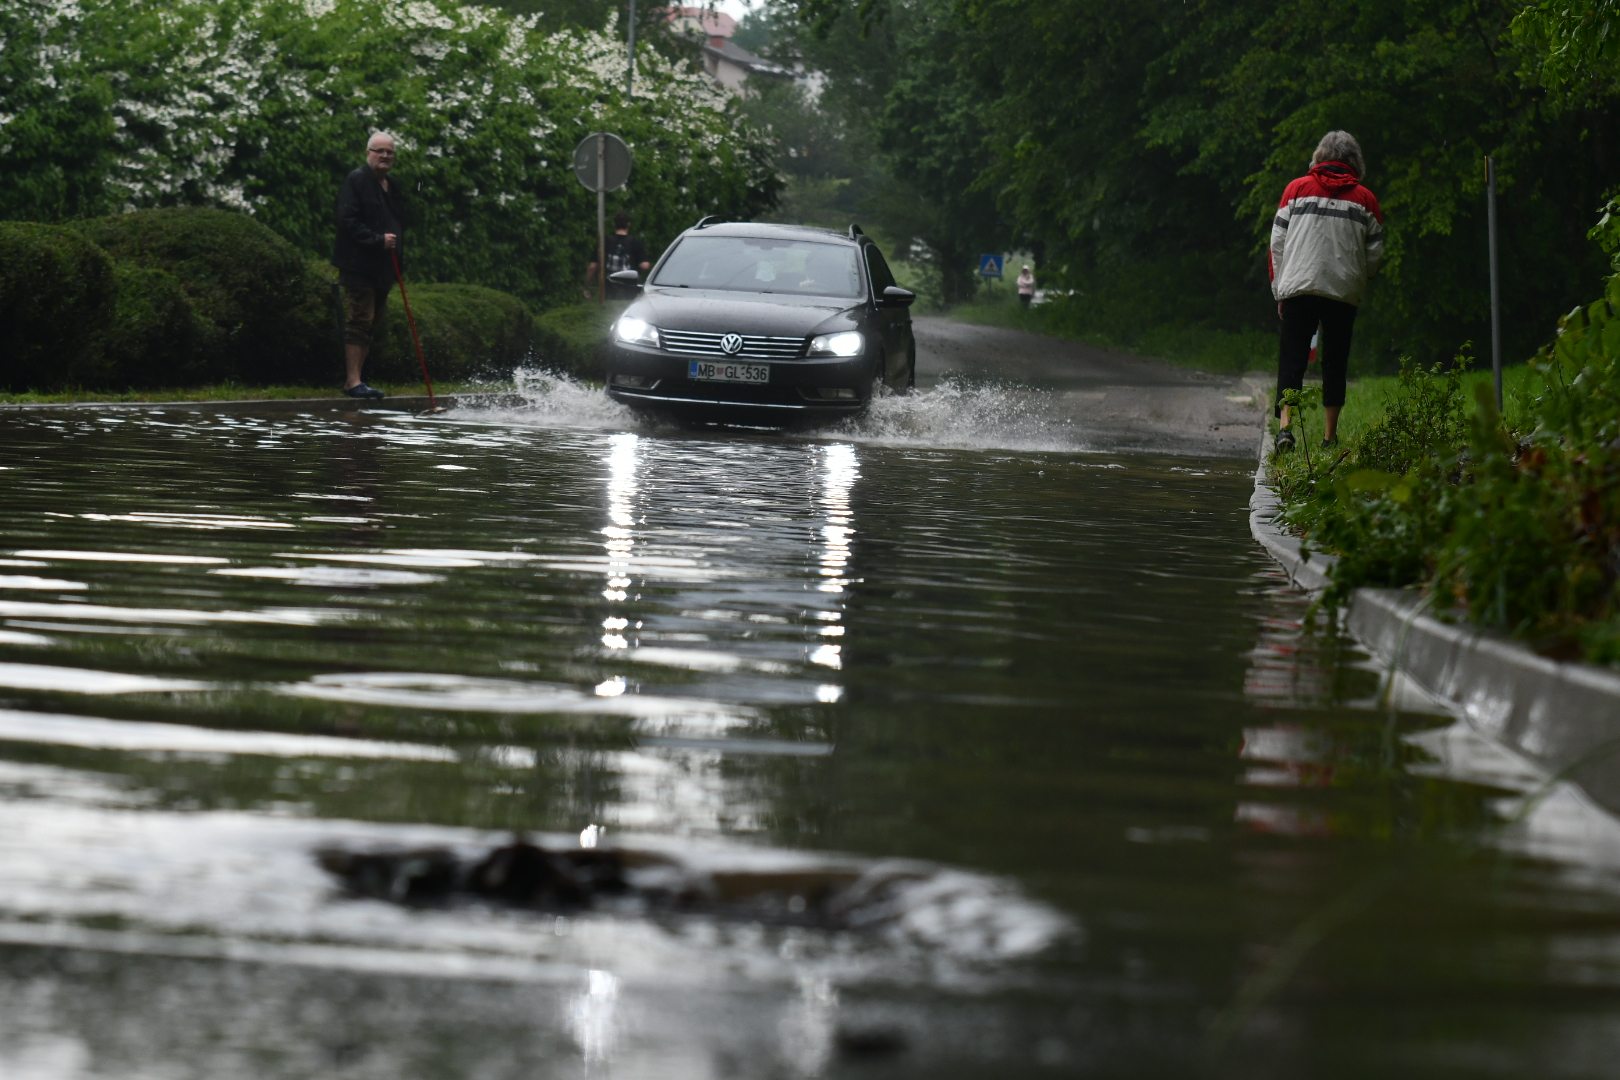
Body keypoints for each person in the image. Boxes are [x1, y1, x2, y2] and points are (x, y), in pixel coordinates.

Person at [1270, 129, 1384, 453]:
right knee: (1335, 361)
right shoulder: (1366, 200)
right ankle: (1329, 437)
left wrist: (1281, 289)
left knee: (1292, 359)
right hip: (1342, 292)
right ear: (1354, 161)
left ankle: (1285, 430)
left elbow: (1276, 245)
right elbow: (1375, 254)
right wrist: (1361, 279)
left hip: (1299, 287)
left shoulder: (1295, 190)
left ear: (1320, 156)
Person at [333, 131, 406, 400]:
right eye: (379, 151)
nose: (385, 156)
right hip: (358, 265)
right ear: (368, 154)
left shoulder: (392, 185)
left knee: (373, 324)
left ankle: (358, 379)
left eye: (389, 152)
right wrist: (377, 240)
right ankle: (352, 381)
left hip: (384, 268)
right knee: (360, 321)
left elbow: (398, 223)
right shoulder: (356, 180)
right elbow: (347, 220)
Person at [586, 211, 651, 301]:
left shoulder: (605, 242)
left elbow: (592, 267)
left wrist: (586, 287)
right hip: (628, 292)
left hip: (608, 292)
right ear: (628, 225)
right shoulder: (635, 242)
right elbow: (645, 266)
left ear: (614, 224)